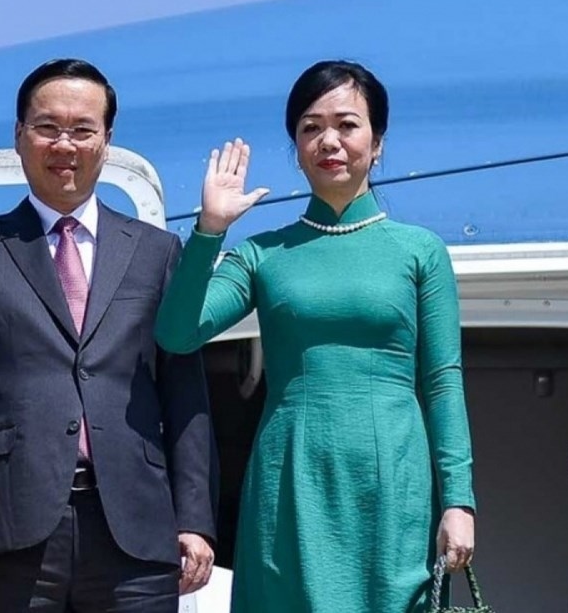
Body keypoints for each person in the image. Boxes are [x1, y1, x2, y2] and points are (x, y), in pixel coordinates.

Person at [0, 58, 218, 612]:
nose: (64, 145)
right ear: (19, 136)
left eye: (82, 130)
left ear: (106, 141)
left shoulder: (156, 252)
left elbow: (184, 390)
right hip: (16, 530)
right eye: (47, 127)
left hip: (136, 532)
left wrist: (194, 518)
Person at [154, 60, 475, 612]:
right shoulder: (263, 253)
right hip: (291, 473)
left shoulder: (420, 251)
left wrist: (458, 501)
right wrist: (210, 229)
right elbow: (178, 334)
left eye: (347, 125)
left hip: (393, 475)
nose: (329, 141)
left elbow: (443, 381)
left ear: (377, 142)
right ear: (296, 147)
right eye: (311, 127)